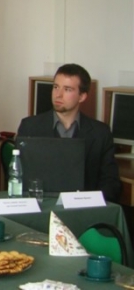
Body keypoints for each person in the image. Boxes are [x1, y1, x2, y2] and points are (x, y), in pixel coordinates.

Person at [17, 63, 121, 202]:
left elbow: (111, 182)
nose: (58, 95)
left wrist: (91, 203)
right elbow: (18, 177)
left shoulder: (100, 133)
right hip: (42, 206)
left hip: (84, 208)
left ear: (82, 96)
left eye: (67, 89)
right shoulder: (30, 127)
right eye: (56, 87)